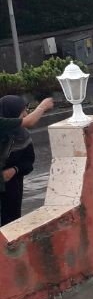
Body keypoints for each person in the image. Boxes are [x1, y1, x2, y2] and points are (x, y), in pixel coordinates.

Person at [1, 95, 52, 226]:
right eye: (22, 111)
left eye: (26, 109)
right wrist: (42, 106)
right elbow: (29, 121)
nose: (25, 113)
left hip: (12, 187)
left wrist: (14, 170)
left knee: (11, 223)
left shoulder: (23, 136)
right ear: (10, 113)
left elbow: (28, 161)